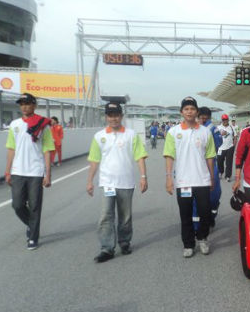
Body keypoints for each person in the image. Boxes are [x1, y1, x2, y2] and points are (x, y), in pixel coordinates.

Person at [86, 102, 148, 263]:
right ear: (106, 117)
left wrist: (143, 177)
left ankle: (125, 242)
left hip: (126, 182)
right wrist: (90, 181)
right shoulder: (99, 136)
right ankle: (107, 248)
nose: (113, 118)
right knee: (106, 215)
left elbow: (140, 156)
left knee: (125, 216)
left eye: (116, 115)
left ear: (121, 116)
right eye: (110, 115)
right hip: (107, 182)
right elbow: (94, 160)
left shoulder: (131, 135)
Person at [163, 97, 216, 258]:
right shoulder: (173, 132)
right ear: (181, 112)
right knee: (185, 214)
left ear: (196, 111)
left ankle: (202, 237)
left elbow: (210, 156)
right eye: (186, 109)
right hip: (183, 181)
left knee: (205, 212)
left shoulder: (205, 131)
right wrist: (169, 178)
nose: (189, 111)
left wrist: (212, 177)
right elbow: (169, 156)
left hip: (202, 180)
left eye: (192, 109)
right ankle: (188, 244)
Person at [4, 93, 54, 250]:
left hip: (35, 171)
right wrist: (7, 171)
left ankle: (33, 238)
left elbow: (47, 150)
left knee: (34, 206)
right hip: (18, 171)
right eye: (22, 104)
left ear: (34, 105)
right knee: (17, 205)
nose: (24, 106)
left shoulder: (42, 125)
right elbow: (11, 148)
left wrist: (48, 174)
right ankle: (31, 225)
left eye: (27, 103)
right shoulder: (14, 124)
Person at [196, 107, 222, 227]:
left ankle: (212, 215)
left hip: (211, 164)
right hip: (197, 166)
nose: (203, 119)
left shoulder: (212, 128)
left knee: (214, 196)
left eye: (205, 117)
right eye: (201, 116)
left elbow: (218, 143)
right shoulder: (193, 127)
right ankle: (197, 225)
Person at [217, 114, 236, 182]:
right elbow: (215, 137)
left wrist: (234, 145)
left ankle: (228, 176)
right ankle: (220, 172)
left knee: (229, 163)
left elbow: (235, 136)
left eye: (226, 119)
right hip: (220, 148)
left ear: (228, 120)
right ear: (222, 120)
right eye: (223, 119)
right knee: (219, 162)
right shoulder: (218, 127)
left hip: (230, 147)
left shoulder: (231, 127)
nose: (224, 121)